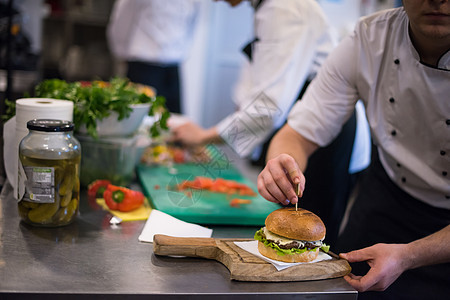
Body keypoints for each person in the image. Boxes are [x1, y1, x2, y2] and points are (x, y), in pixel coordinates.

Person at [257, 1, 450, 299]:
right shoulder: (369, 38)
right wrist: (281, 162)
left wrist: (409, 254)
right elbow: (298, 133)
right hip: (387, 200)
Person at [171, 0, 366, 246]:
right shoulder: (270, 8)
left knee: (310, 239)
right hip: (299, 125)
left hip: (323, 135)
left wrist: (203, 136)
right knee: (285, 231)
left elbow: (268, 109)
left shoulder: (285, 8)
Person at [107, 0, 201, 113]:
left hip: (173, 68)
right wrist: (120, 52)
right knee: (138, 118)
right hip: (143, 66)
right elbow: (122, 20)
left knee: (174, 119)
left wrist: (181, 52)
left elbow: (192, 23)